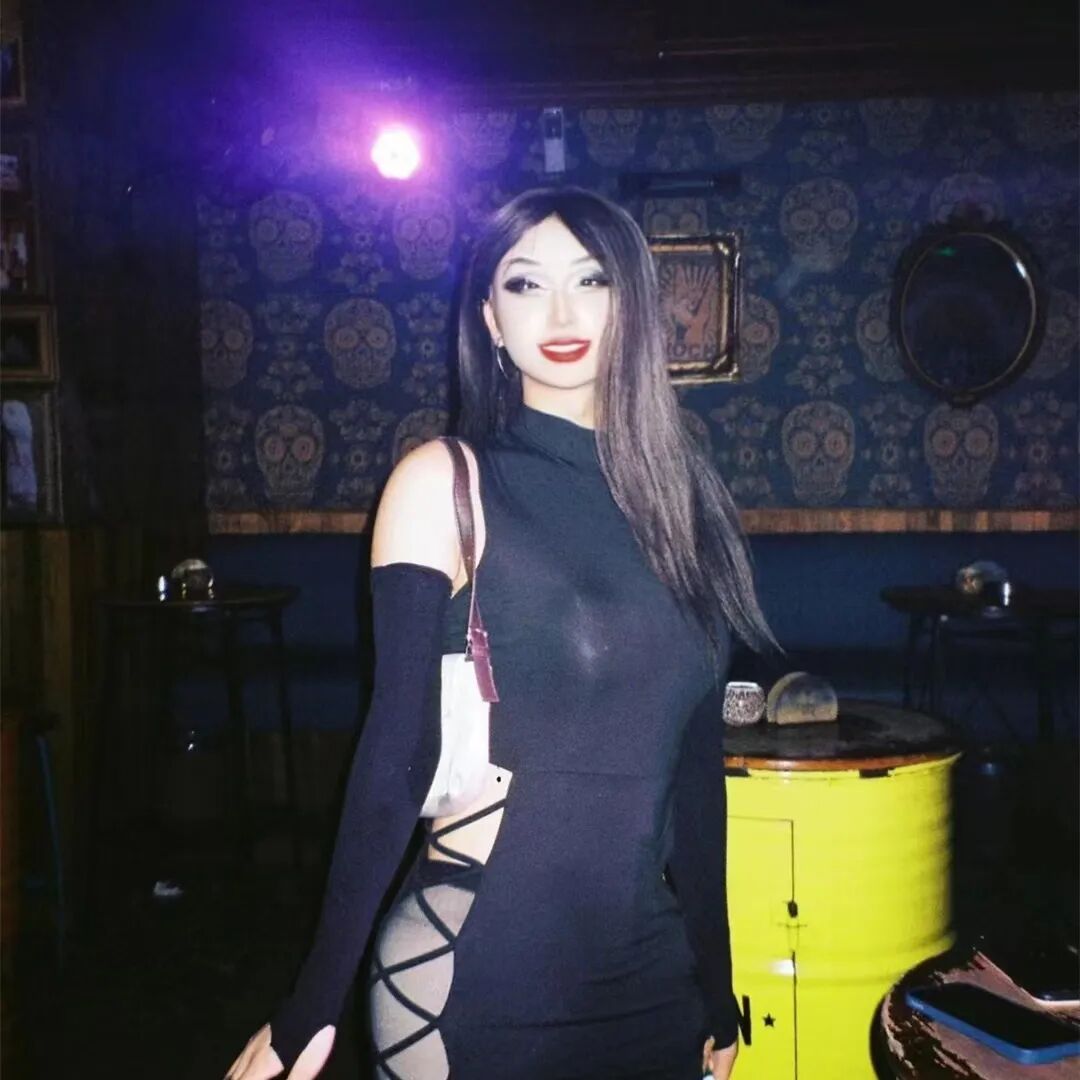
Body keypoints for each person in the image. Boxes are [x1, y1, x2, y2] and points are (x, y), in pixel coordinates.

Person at [226, 186, 775, 1080]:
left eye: (590, 280)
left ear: (633, 302)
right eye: (525, 284)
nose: (559, 313)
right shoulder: (445, 483)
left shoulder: (690, 506)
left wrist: (718, 988)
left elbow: (694, 777)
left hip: (650, 977)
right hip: (473, 977)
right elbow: (395, 758)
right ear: (489, 317)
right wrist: (309, 1007)